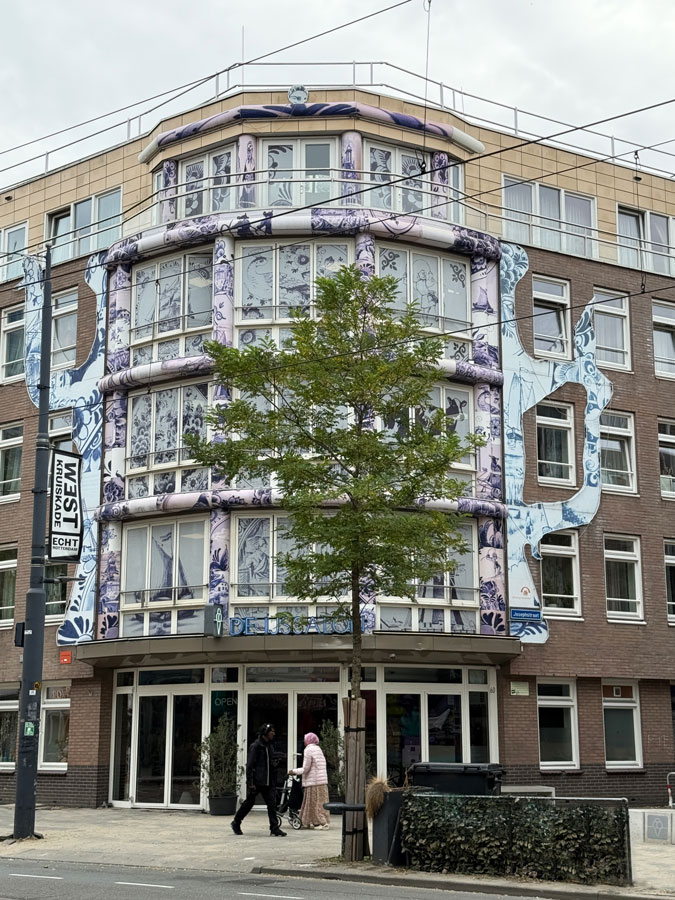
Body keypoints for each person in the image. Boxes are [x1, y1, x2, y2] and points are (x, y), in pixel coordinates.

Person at [231, 724, 286, 837]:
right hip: (257, 781)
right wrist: (250, 782)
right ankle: (236, 822)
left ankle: (274, 828)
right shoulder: (256, 746)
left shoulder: (269, 746)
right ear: (265, 733)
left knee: (271, 803)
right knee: (249, 803)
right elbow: (250, 765)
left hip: (268, 780)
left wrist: (277, 761)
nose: (273, 734)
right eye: (271, 732)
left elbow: (269, 760)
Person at [289, 732, 330, 829]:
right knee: (321, 803)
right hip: (322, 781)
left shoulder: (308, 750)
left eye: (305, 740)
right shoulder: (318, 749)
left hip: (313, 782)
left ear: (308, 741)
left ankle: (317, 822)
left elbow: (305, 768)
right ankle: (323, 821)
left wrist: (293, 771)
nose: (303, 742)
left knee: (313, 804)